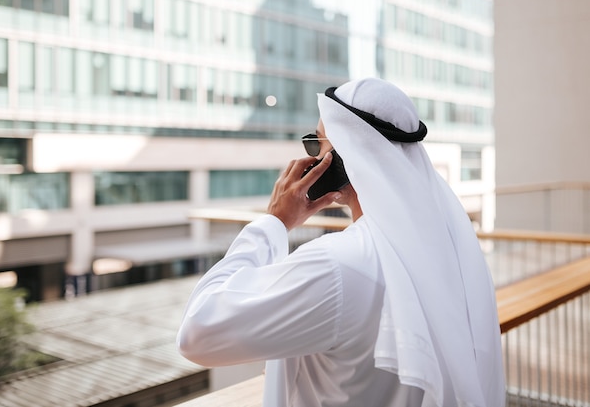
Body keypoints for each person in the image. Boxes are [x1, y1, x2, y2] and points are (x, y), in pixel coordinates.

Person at [177, 77, 505, 407]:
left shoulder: (335, 264)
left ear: (343, 156)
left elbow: (197, 333)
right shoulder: (444, 249)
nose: (312, 157)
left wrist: (274, 222)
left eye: (317, 144)